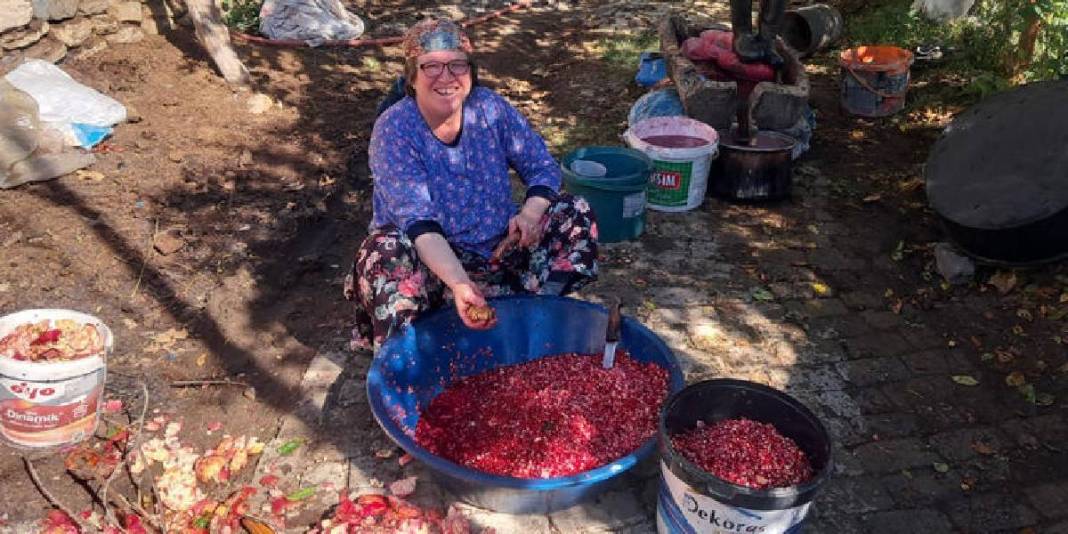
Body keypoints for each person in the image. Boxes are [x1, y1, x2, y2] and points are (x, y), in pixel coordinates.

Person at [344, 18, 599, 351]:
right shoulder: (395, 130)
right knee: (383, 250)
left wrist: (530, 214)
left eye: (457, 66)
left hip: (497, 251)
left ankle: (534, 314)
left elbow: (541, 166)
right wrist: (460, 283)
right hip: (431, 265)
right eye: (431, 66)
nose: (446, 77)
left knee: (574, 212)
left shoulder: (489, 108)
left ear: (471, 71)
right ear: (412, 75)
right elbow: (419, 225)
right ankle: (410, 353)